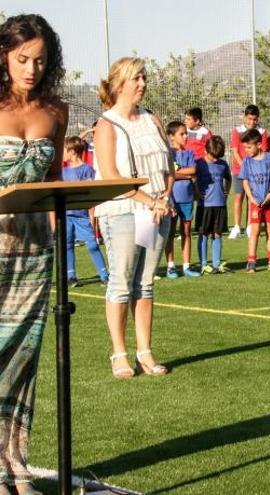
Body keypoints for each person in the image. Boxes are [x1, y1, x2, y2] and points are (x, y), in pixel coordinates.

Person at [0, 14, 68, 493]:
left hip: (34, 255)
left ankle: (13, 464)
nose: (32, 68)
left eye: (41, 60)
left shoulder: (56, 112)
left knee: (22, 358)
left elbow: (54, 183)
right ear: (4, 56)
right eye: (23, 58)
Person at [93, 56, 172, 382]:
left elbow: (170, 165)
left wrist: (163, 198)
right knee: (122, 283)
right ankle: (120, 353)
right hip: (122, 212)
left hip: (157, 213)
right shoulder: (107, 124)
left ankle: (145, 351)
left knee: (145, 284)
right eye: (136, 79)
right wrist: (149, 200)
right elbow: (111, 177)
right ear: (119, 84)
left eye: (144, 78)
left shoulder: (152, 119)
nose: (142, 84)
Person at [61, 136, 108, 286]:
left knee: (92, 245)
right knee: (67, 245)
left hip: (82, 216)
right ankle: (71, 276)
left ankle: (104, 275)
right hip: (66, 216)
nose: (62, 153)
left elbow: (90, 195)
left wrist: (92, 218)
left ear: (72, 151)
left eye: (64, 150)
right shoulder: (62, 171)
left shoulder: (86, 170)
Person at [239, 128, 270, 272]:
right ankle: (251, 262)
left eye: (249, 147)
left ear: (259, 144)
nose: (246, 150)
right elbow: (245, 181)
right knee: (255, 232)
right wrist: (251, 198)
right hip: (255, 203)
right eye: (245, 147)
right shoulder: (246, 161)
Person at [229, 104, 270, 239]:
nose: (252, 122)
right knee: (238, 197)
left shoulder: (262, 132)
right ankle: (236, 226)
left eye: (254, 119)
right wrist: (245, 167)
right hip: (239, 170)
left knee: (251, 199)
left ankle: (249, 226)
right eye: (249, 119)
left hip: (256, 173)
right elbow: (235, 151)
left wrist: (253, 169)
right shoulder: (237, 131)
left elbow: (263, 151)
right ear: (244, 117)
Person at [164, 121, 199, 278]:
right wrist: (186, 175)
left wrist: (179, 174)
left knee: (186, 232)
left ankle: (186, 265)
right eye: (182, 134)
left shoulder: (189, 153)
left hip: (187, 198)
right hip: (172, 198)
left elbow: (193, 170)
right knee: (170, 232)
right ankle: (170, 266)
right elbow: (168, 174)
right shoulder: (168, 153)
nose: (185, 136)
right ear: (171, 136)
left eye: (186, 133)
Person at [194, 135, 232, 274]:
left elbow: (229, 179)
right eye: (213, 156)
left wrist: (226, 193)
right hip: (204, 206)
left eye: (218, 157)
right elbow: (193, 180)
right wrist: (197, 193)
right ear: (206, 151)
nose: (216, 159)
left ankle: (216, 264)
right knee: (203, 233)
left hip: (220, 204)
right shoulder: (199, 164)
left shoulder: (223, 164)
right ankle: (204, 264)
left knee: (217, 233)